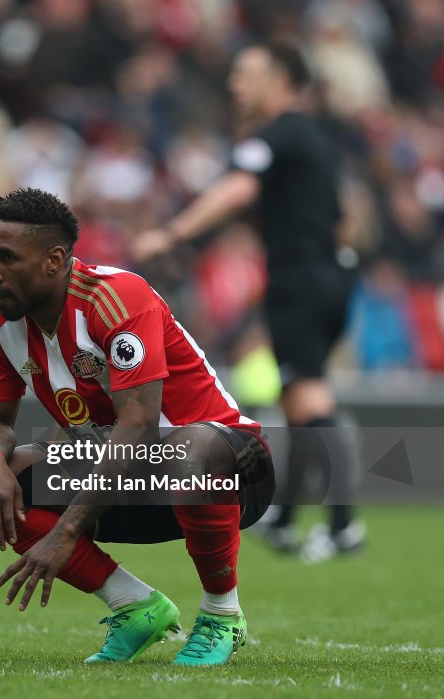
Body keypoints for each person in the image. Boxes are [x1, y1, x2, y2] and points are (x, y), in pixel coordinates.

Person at [0, 188, 275, 666]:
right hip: (131, 479)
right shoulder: (2, 322)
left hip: (231, 470)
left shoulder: (114, 297)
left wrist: (66, 531)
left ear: (54, 259)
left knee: (188, 451)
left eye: (7, 258)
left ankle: (222, 614)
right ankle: (134, 608)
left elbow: (139, 427)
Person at [132, 40, 365, 562]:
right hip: (330, 273)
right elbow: (344, 214)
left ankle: (345, 526)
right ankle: (283, 520)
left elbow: (237, 190)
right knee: (297, 396)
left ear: (280, 78)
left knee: (309, 400)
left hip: (302, 279)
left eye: (248, 73)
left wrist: (172, 233)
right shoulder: (319, 138)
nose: (237, 83)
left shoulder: (275, 134)